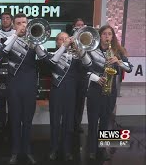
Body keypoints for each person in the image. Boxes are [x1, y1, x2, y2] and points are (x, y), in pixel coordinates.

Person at [0, 13, 48, 165]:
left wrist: (36, 42)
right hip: (14, 86)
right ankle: (14, 152)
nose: (22, 26)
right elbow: (1, 56)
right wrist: (15, 36)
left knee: (27, 121)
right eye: (18, 23)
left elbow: (45, 60)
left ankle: (27, 151)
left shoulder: (35, 38)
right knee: (14, 120)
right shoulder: (7, 40)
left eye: (24, 23)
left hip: (30, 85)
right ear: (13, 25)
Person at [86, 25, 132, 160]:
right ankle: (91, 150)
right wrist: (96, 78)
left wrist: (119, 62)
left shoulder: (118, 52)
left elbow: (129, 69)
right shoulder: (91, 50)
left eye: (110, 34)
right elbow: (84, 70)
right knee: (93, 122)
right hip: (95, 90)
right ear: (100, 36)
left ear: (113, 37)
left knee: (106, 122)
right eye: (105, 34)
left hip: (110, 91)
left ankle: (103, 149)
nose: (107, 37)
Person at [45, 32, 92, 161]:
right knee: (55, 122)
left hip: (71, 93)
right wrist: (64, 47)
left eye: (66, 39)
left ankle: (66, 150)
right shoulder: (53, 54)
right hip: (56, 92)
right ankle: (53, 149)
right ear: (57, 42)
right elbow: (51, 63)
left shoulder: (76, 57)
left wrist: (80, 49)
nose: (64, 40)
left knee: (68, 123)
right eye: (61, 39)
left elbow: (89, 65)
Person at [70, 18, 88, 134]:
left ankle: (77, 124)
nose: (80, 27)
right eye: (78, 25)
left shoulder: (87, 36)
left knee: (80, 101)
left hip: (83, 74)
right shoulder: (69, 37)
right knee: (71, 101)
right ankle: (69, 123)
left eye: (82, 25)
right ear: (74, 26)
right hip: (72, 73)